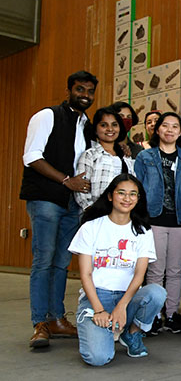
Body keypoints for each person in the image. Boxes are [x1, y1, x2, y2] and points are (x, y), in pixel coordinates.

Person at [20, 70, 98, 347]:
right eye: (80, 89)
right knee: (44, 259)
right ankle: (40, 322)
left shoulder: (88, 125)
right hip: (46, 197)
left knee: (62, 263)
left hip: (71, 203)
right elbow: (31, 157)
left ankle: (56, 319)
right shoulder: (47, 116)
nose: (85, 95)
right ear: (69, 90)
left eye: (90, 91)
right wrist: (67, 181)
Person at [70, 174, 166, 365]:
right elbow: (85, 274)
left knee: (156, 293)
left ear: (138, 199)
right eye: (121, 193)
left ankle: (131, 334)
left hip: (127, 297)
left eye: (133, 194)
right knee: (98, 358)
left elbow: (140, 275)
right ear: (110, 196)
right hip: (97, 297)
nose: (127, 198)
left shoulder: (143, 231)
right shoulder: (91, 227)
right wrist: (98, 310)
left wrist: (121, 306)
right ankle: (97, 323)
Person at [134, 112, 181, 334]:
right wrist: (141, 220)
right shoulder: (145, 157)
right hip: (154, 220)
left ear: (180, 132)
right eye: (165, 126)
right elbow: (139, 190)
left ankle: (171, 315)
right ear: (157, 130)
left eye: (174, 127)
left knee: (174, 271)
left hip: (180, 221)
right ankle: (152, 315)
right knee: (154, 270)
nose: (169, 130)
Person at [75, 106, 135, 211]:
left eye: (114, 125)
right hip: (96, 213)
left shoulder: (126, 157)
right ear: (96, 129)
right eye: (103, 125)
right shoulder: (90, 155)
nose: (110, 129)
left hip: (122, 214)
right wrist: (90, 210)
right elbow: (81, 190)